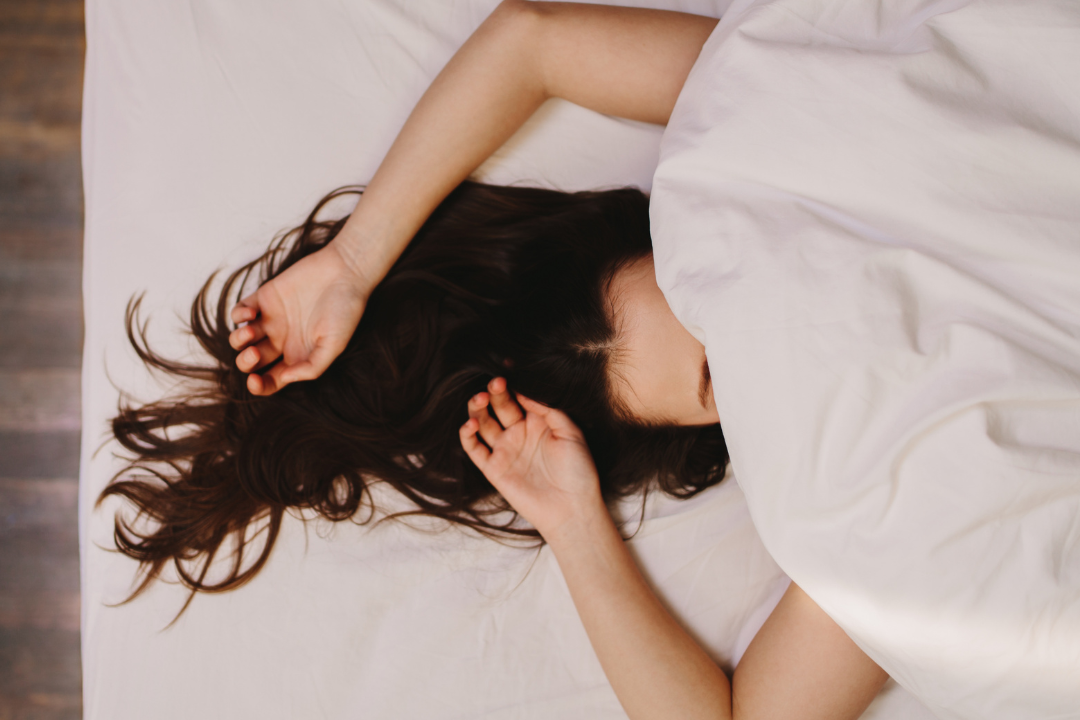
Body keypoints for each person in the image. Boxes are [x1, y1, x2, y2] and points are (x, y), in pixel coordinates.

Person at [104, 3, 890, 718]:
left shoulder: (795, 119)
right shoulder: (873, 484)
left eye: (702, 294)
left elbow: (532, 42)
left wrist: (353, 263)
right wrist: (575, 523)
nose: (759, 328)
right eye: (717, 376)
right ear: (711, 428)